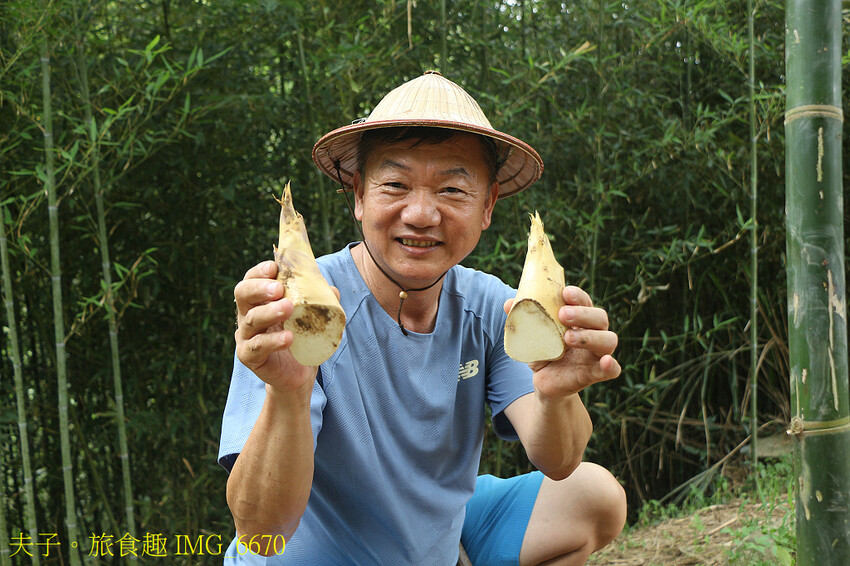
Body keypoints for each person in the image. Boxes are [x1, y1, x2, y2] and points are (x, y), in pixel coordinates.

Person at [218, 71, 627, 565]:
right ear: (359, 196)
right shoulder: (295, 312)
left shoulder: (490, 307)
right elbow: (263, 531)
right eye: (395, 184)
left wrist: (559, 393)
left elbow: (559, 460)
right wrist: (288, 391)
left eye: (452, 190)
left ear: (488, 205)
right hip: (312, 554)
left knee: (593, 495)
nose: (421, 214)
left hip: (426, 536)